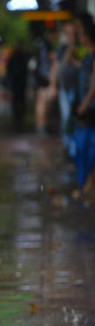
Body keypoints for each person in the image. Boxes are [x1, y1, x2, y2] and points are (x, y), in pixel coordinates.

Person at [50, 19, 81, 158]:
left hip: (77, 89)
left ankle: (74, 147)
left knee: (74, 117)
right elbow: (56, 67)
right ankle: (68, 146)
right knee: (66, 117)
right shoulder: (62, 48)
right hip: (65, 88)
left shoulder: (81, 46)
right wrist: (53, 85)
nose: (69, 34)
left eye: (71, 32)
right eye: (67, 32)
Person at [72, 14, 95, 195]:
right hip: (87, 106)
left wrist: (84, 104)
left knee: (87, 146)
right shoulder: (87, 55)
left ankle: (89, 183)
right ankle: (88, 182)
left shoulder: (93, 56)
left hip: (90, 107)